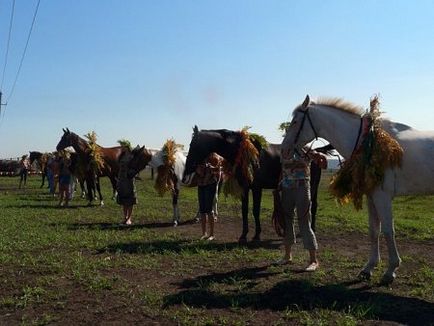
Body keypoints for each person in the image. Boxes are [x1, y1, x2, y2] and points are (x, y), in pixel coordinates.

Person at [275, 147, 327, 272]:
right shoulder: (284, 150)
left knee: (304, 222)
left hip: (302, 189)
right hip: (286, 189)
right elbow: (283, 170)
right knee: (286, 221)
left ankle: (313, 260)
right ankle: (287, 256)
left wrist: (321, 156)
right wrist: (279, 184)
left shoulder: (306, 150)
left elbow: (323, 165)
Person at [196, 154, 222, 241]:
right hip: (201, 184)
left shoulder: (214, 157)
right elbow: (196, 169)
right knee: (202, 210)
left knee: (209, 209)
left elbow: (218, 170)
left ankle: (212, 234)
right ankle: (204, 233)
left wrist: (210, 168)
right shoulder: (199, 157)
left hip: (210, 184)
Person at [116, 149, 137, 225]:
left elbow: (135, 168)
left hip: (129, 180)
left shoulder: (132, 157)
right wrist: (118, 180)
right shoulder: (120, 156)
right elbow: (119, 169)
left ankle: (129, 218)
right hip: (122, 180)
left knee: (130, 200)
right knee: (124, 200)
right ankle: (125, 217)